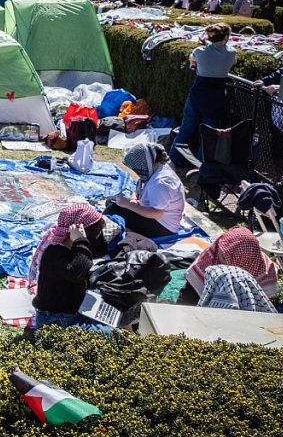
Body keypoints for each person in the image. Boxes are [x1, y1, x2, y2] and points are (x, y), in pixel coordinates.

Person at [29, 203, 113, 334]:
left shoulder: (71, 248)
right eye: (96, 232)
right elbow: (78, 272)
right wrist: (81, 240)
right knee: (112, 333)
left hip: (69, 313)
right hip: (55, 320)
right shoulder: (54, 253)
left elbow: (99, 251)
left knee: (114, 315)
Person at [169, 23, 236, 165]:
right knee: (208, 135)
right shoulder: (231, 53)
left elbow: (192, 60)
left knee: (185, 129)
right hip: (216, 96)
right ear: (226, 37)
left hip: (198, 94)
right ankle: (201, 166)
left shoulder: (199, 51)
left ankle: (172, 160)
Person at [105, 143, 185, 238]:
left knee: (112, 209)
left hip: (164, 227)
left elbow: (156, 213)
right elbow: (139, 188)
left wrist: (128, 204)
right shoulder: (157, 169)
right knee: (112, 202)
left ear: (144, 164)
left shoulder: (161, 182)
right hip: (156, 217)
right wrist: (133, 200)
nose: (136, 171)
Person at [184, 226, 278, 299]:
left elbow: (263, 301)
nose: (219, 251)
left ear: (241, 262)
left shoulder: (264, 271)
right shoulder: (212, 255)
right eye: (221, 248)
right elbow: (193, 285)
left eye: (226, 257)